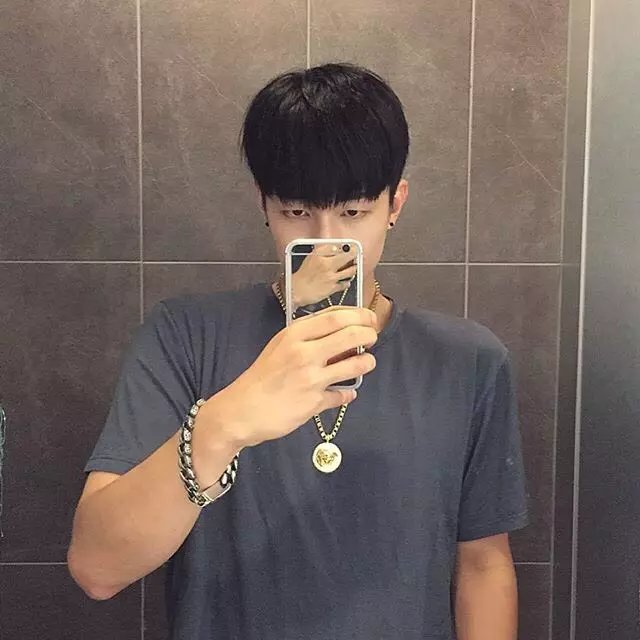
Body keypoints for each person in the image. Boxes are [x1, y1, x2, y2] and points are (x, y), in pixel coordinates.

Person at [68, 63, 528, 639]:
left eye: (353, 212)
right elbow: (98, 568)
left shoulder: (467, 362)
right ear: (263, 204)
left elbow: (484, 565)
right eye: (296, 212)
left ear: (396, 204)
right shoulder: (184, 337)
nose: (326, 240)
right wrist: (226, 421)